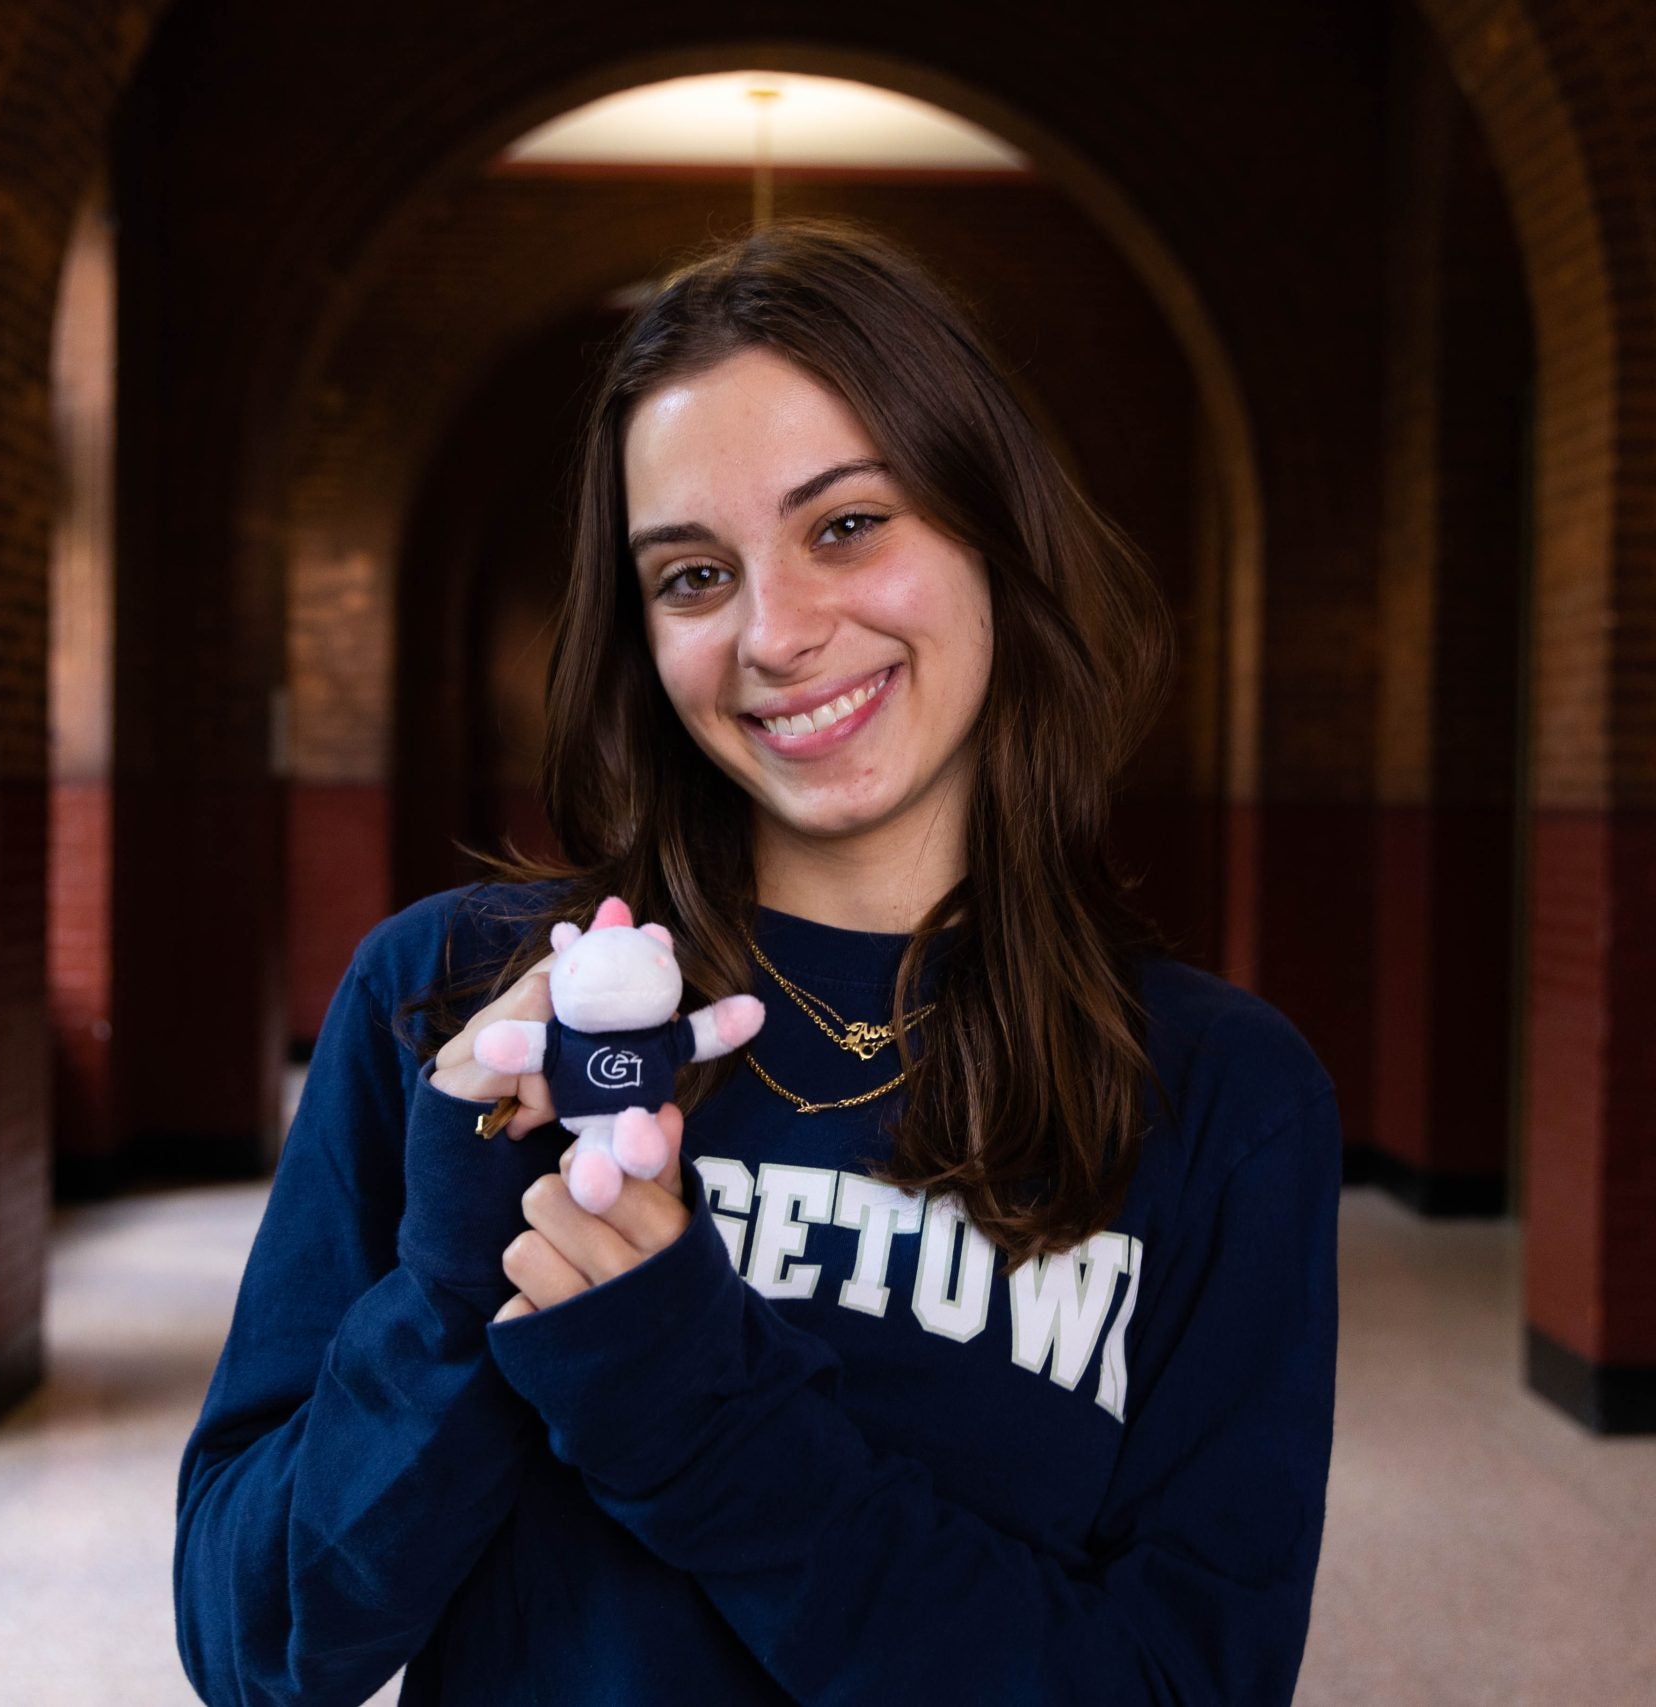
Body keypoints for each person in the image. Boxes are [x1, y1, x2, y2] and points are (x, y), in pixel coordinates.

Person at [173, 215, 1342, 1706]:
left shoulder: (1220, 1096)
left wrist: (694, 1411)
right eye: (692, 576)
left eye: (847, 524)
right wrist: (460, 1271)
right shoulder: (455, 1009)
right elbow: (259, 1645)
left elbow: (1181, 1686)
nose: (777, 633)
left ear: (992, 530)